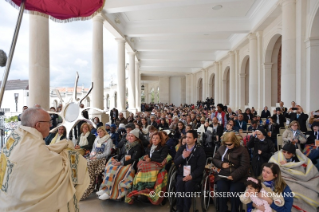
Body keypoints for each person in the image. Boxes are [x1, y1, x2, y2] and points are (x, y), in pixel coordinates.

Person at [0, 107, 89, 211]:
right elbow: (59, 168)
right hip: (24, 205)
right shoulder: (34, 148)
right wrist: (67, 153)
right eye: (49, 122)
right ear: (38, 125)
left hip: (8, 198)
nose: (51, 125)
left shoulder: (17, 136)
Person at [97, 128, 144, 200]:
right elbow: (120, 154)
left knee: (115, 172)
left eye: (132, 136)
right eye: (129, 136)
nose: (130, 137)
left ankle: (110, 192)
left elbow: (134, 159)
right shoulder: (126, 144)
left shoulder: (138, 147)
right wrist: (116, 160)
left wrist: (120, 163)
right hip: (121, 162)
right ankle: (106, 188)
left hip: (130, 165)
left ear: (136, 138)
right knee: (110, 167)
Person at [212, 132, 250, 212]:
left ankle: (234, 210)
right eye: (226, 144)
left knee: (234, 193)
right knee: (221, 192)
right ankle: (222, 210)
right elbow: (215, 159)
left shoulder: (242, 150)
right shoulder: (222, 148)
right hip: (223, 175)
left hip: (238, 177)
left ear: (235, 142)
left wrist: (234, 175)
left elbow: (244, 166)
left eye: (230, 144)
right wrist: (221, 164)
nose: (228, 146)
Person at [174, 130, 206, 212]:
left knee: (188, 185)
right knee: (180, 183)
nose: (187, 139)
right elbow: (176, 162)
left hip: (194, 175)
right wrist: (183, 157)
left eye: (189, 137)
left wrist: (191, 176)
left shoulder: (200, 150)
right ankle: (179, 208)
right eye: (186, 137)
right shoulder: (182, 148)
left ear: (195, 139)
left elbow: (200, 167)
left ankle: (186, 209)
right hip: (182, 174)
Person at [81, 127, 113, 200]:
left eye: (101, 131)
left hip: (102, 158)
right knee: (83, 163)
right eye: (98, 132)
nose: (99, 133)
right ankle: (84, 183)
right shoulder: (97, 139)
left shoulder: (108, 140)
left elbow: (108, 152)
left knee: (89, 164)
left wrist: (97, 156)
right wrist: (92, 155)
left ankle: (90, 184)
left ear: (104, 131)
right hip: (95, 156)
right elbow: (93, 149)